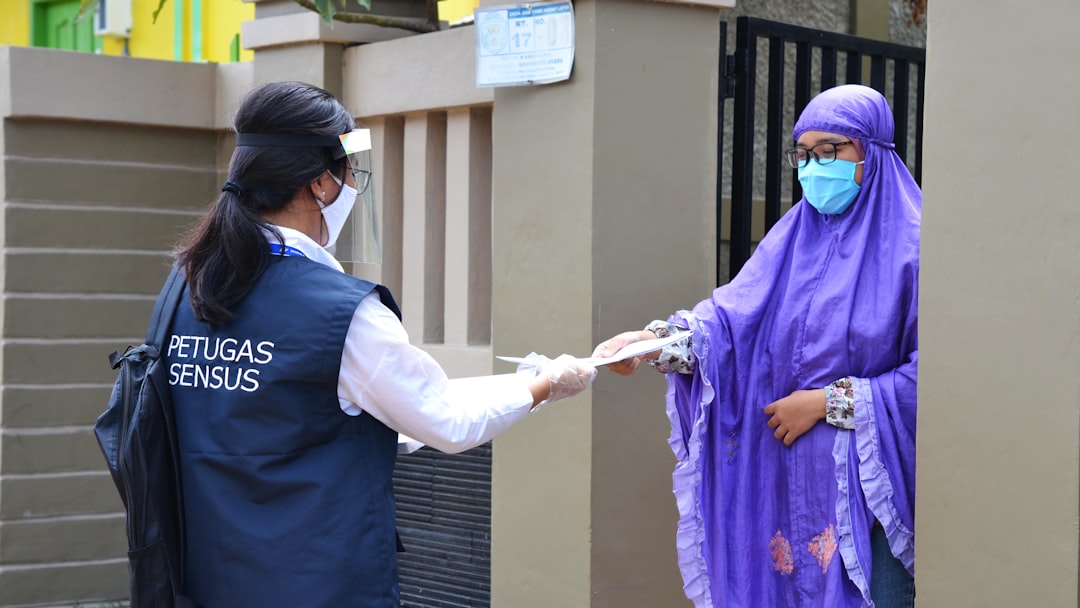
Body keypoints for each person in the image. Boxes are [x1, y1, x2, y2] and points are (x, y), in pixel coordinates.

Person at [166, 81, 596, 608]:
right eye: (350, 173)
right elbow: (445, 422)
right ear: (321, 184)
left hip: (206, 578)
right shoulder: (342, 313)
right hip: (317, 585)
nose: (352, 186)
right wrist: (548, 385)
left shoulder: (186, 288)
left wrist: (520, 380)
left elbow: (375, 407)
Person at [593, 84, 919, 607]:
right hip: (787, 487)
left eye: (829, 151)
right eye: (804, 154)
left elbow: (937, 376)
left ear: (871, 151)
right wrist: (655, 341)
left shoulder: (915, 249)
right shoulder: (793, 239)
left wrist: (826, 403)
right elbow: (730, 321)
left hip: (868, 498)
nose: (814, 167)